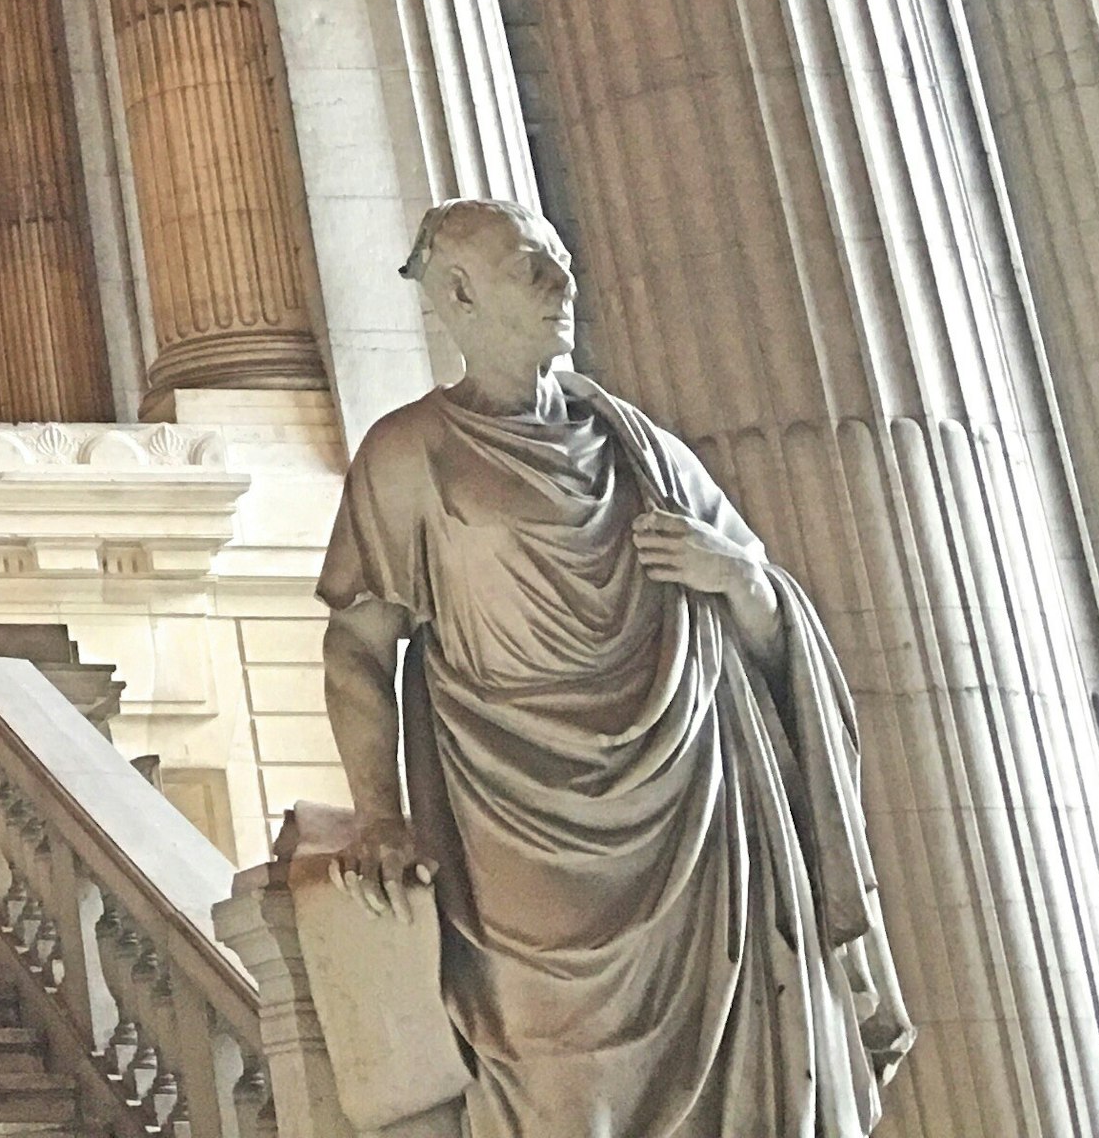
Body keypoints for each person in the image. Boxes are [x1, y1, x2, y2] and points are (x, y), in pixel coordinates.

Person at [320, 200, 912, 1137]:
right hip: (517, 829)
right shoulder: (410, 454)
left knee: (747, 1078)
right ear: (460, 293)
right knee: (561, 1088)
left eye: (561, 258)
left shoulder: (643, 449)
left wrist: (740, 580)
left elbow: (765, 626)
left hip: (695, 816)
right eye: (532, 266)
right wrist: (382, 813)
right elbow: (358, 645)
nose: (565, 281)